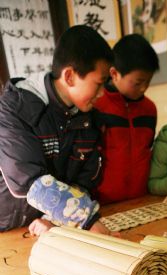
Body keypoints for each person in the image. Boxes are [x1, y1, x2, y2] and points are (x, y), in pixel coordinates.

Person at [0, 25, 116, 236]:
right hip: (9, 226)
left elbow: (83, 181)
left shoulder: (87, 116)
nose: (102, 94)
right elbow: (29, 182)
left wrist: (52, 219)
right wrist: (88, 220)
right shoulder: (15, 106)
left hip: (49, 227)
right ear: (70, 76)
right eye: (98, 84)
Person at [93, 33, 159, 204]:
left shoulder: (149, 109)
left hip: (141, 197)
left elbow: (148, 148)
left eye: (148, 81)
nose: (144, 88)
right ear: (114, 74)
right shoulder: (97, 105)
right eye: (138, 82)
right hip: (104, 200)